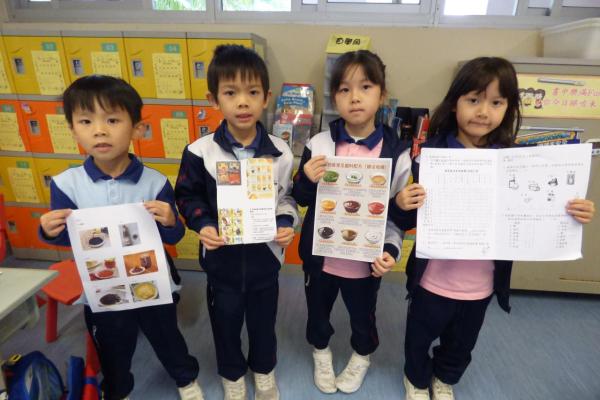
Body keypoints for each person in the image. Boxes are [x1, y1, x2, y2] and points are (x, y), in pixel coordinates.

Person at [392, 57, 596, 400]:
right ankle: (416, 378)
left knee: (462, 341)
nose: (483, 111)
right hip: (432, 279)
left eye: (496, 102)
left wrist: (572, 212)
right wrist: (402, 203)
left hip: (481, 283)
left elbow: (539, 207)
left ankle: (444, 377)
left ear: (508, 108)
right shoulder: (428, 155)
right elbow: (408, 219)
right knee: (419, 336)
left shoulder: (517, 161)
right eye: (473, 99)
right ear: (454, 102)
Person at [38, 75, 204, 400]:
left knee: (166, 336)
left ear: (137, 129)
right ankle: (117, 389)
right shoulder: (66, 184)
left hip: (152, 279)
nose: (99, 131)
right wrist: (48, 230)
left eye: (112, 120)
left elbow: (173, 235)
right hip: (102, 284)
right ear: (73, 130)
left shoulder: (154, 182)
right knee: (112, 344)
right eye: (86, 121)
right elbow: (66, 241)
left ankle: (185, 378)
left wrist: (171, 220)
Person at [175, 45, 298, 400]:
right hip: (221, 261)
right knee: (225, 323)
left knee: (263, 323)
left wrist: (285, 221)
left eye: (252, 92)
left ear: (266, 98)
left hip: (265, 259)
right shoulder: (199, 151)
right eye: (231, 93)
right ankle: (232, 374)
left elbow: (287, 196)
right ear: (214, 99)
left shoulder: (280, 152)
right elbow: (188, 196)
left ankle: (264, 371)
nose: (242, 102)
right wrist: (204, 224)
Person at [292, 50, 411, 395]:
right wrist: (306, 179)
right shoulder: (319, 144)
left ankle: (362, 355)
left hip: (365, 261)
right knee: (317, 312)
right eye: (344, 89)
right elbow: (300, 197)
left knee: (363, 316)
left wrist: (390, 249)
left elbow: (399, 216)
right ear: (335, 98)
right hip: (322, 257)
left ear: (382, 95)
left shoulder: (397, 153)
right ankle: (321, 351)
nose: (355, 97)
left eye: (365, 87)